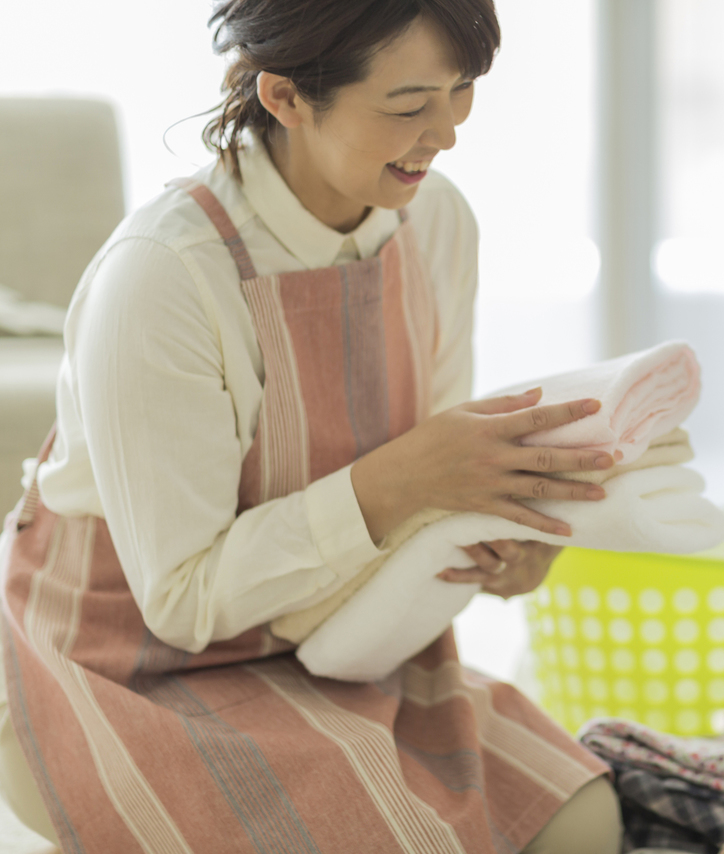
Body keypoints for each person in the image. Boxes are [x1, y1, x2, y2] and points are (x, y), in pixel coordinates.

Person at [0, 1, 625, 851]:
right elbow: (182, 600)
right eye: (409, 106)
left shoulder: (437, 222)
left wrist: (499, 540)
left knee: (583, 823)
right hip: (131, 660)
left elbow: (433, 498)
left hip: (344, 635)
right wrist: (404, 481)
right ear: (287, 98)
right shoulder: (164, 276)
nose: (445, 132)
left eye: (462, 90)